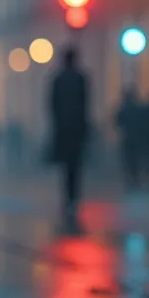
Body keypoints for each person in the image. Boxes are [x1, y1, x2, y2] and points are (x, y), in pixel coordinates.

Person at [49, 47, 88, 219]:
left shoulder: (58, 79)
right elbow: (85, 103)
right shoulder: (80, 78)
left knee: (66, 165)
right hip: (76, 127)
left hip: (63, 128)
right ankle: (73, 196)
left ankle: (68, 197)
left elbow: (52, 104)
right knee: (75, 164)